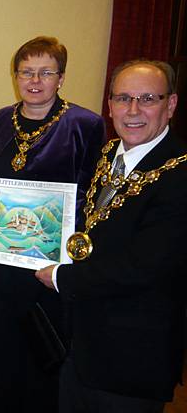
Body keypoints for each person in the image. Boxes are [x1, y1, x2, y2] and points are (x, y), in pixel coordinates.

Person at [0, 36, 106, 413]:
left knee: (46, 347)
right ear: (16, 75)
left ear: (61, 78)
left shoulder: (85, 124)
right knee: (3, 346)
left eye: (45, 72)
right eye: (26, 71)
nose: (34, 80)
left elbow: (94, 193)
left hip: (50, 264)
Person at [36, 60, 187, 413]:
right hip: (82, 344)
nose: (133, 110)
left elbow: (144, 267)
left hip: (133, 356)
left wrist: (60, 276)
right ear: (110, 104)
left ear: (171, 104)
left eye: (148, 98)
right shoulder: (109, 153)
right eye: (122, 98)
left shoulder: (180, 173)